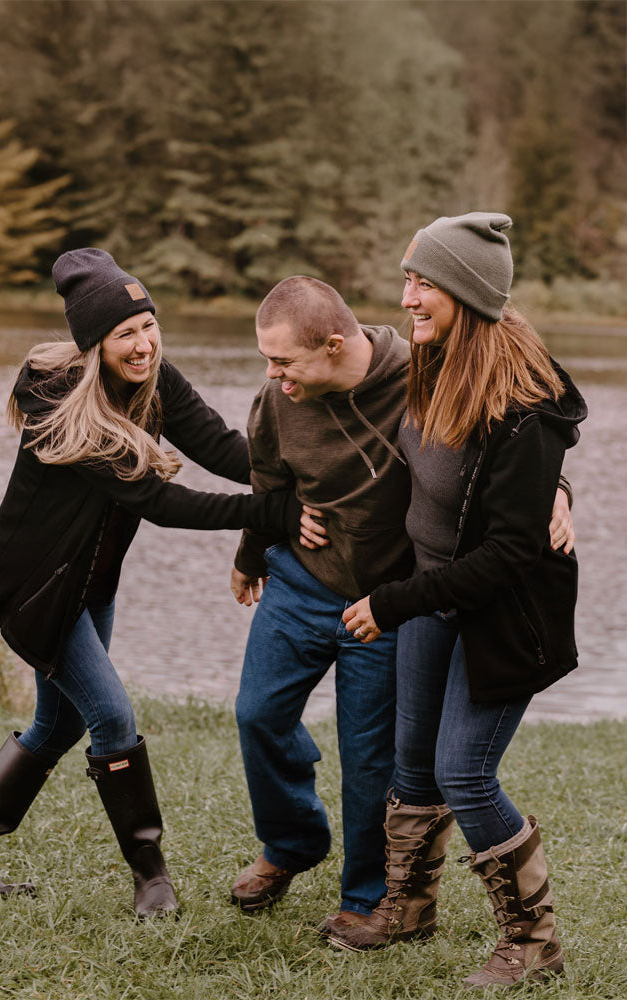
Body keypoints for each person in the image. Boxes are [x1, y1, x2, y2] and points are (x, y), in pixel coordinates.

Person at [0, 248, 315, 920]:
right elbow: (163, 503)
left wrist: (308, 472)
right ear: (93, 344)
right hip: (36, 590)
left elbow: (222, 446)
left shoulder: (154, 376)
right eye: (124, 335)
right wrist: (276, 513)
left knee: (58, 722)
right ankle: (152, 880)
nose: (144, 345)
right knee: (111, 717)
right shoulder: (59, 402)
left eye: (148, 326)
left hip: (89, 583)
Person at [227, 274, 574, 935]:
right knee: (257, 715)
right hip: (302, 580)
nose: (272, 376)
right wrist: (253, 551)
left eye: (282, 362)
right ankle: (291, 845)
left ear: (333, 345)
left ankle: (367, 899)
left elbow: (507, 440)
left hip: (391, 597)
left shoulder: (420, 372)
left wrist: (557, 488)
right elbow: (266, 483)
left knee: (371, 761)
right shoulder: (276, 401)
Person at [330, 213, 586, 989]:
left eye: (423, 282)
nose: (407, 296)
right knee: (413, 767)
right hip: (435, 595)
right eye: (407, 278)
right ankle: (407, 910)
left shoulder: (524, 403)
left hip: (500, 611)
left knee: (463, 772)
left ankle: (533, 943)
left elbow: (509, 553)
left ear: (468, 294)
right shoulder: (436, 361)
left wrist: (395, 599)